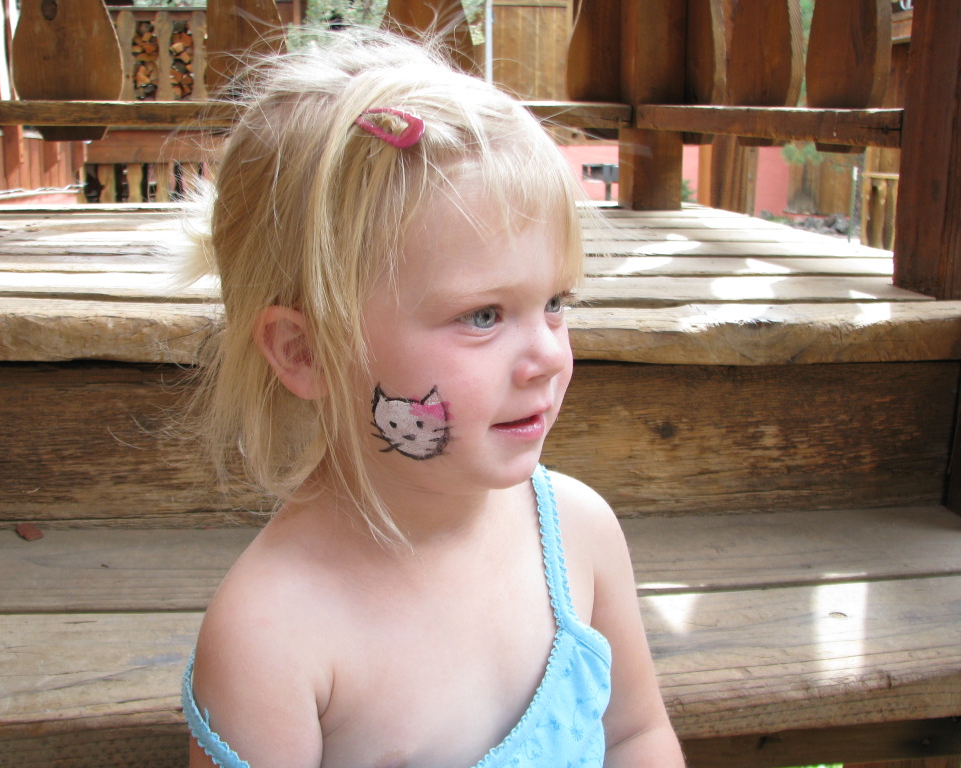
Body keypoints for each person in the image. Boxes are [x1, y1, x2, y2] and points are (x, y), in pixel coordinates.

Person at [180, 28, 684, 768]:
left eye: (555, 302)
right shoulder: (271, 637)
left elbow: (636, 733)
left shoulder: (577, 534)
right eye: (483, 316)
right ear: (306, 352)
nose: (548, 355)